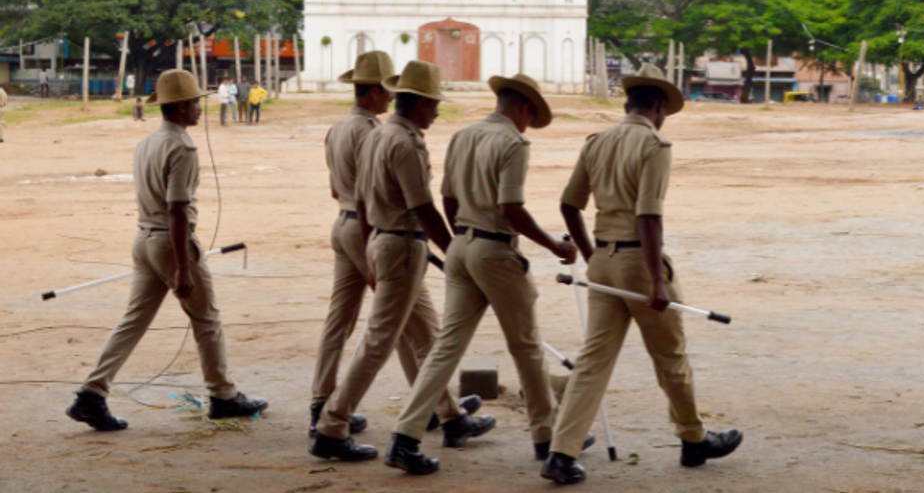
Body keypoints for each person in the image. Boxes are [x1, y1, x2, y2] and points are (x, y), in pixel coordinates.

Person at [540, 63, 742, 485]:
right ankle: (693, 439)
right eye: (665, 110)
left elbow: (569, 205)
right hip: (639, 263)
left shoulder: (596, 142)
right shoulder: (654, 146)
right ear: (656, 106)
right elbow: (649, 217)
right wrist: (655, 280)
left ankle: (561, 452)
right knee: (670, 356)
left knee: (592, 362)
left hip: (603, 264)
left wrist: (593, 254)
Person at [387, 74, 585, 475]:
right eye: (531, 116)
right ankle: (547, 440)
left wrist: (461, 240)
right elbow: (510, 207)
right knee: (526, 346)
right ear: (524, 108)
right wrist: (553, 245)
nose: (529, 124)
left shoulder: (464, 135)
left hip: (461, 244)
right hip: (495, 250)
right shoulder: (513, 142)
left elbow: (446, 198)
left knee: (447, 347)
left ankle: (405, 437)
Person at [310, 60, 492, 462]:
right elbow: (423, 207)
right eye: (434, 103)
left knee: (426, 332)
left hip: (379, 239)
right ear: (419, 103)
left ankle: (449, 416)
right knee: (379, 341)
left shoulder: (378, 135)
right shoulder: (403, 141)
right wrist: (456, 253)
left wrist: (370, 247)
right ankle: (331, 423)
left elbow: (357, 198)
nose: (438, 111)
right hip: (402, 244)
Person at [66, 69, 267, 431]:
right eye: (194, 102)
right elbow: (176, 209)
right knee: (207, 319)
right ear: (178, 108)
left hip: (143, 240)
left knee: (133, 321)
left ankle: (91, 394)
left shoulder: (147, 142)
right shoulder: (182, 147)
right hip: (169, 242)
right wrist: (183, 269)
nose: (199, 109)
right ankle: (223, 396)